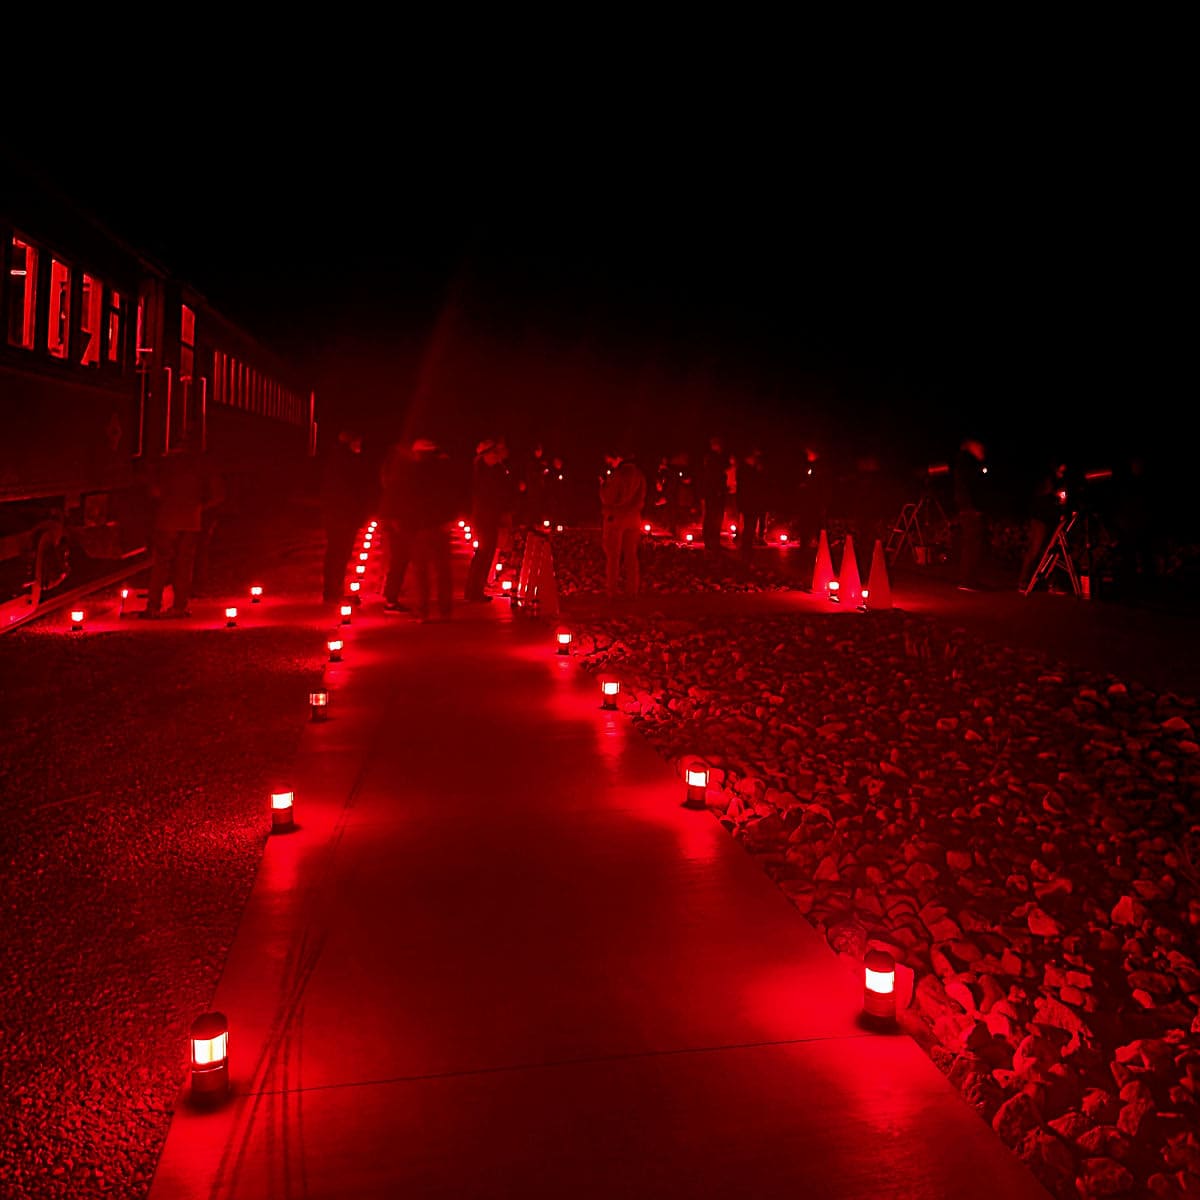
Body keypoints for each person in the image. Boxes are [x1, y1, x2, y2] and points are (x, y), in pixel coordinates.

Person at [141, 427, 224, 618]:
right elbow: (219, 495)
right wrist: (200, 506)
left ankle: (153, 606)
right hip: (191, 520)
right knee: (185, 563)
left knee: (161, 562)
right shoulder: (202, 464)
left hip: (166, 518)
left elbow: (154, 490)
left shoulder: (165, 462)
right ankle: (180, 606)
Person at [406, 437, 456, 621]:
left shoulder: (413, 471)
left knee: (421, 571)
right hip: (439, 526)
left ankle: (422, 610)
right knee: (442, 569)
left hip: (420, 527)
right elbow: (452, 495)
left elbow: (408, 500)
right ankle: (445, 610)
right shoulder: (443, 471)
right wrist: (449, 518)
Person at [320, 429, 372, 604]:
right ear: (350, 442)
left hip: (340, 515)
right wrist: (356, 511)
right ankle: (333, 593)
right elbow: (349, 490)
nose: (360, 446)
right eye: (357, 442)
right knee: (338, 554)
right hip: (341, 516)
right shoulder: (344, 462)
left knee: (338, 554)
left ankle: (333, 591)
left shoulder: (339, 460)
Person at [464, 438, 515, 602]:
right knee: (483, 554)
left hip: (489, 516)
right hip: (484, 516)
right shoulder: (482, 472)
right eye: (493, 452)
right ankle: (474, 591)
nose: (495, 455)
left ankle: (475, 590)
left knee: (486, 554)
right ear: (485, 455)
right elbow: (488, 495)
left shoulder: (492, 470)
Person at [599, 446, 647, 599]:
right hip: (634, 518)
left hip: (616, 518)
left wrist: (603, 486)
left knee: (613, 556)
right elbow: (642, 496)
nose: (609, 463)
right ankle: (632, 590)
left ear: (618, 457)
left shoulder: (617, 476)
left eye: (610, 460)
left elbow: (609, 498)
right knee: (631, 555)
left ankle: (611, 591)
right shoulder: (640, 475)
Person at [1018, 460, 1067, 590]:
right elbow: (1044, 500)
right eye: (1061, 471)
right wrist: (1057, 498)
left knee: (1045, 552)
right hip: (1040, 520)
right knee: (1034, 550)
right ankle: (1024, 581)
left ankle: (1038, 581)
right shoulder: (1048, 481)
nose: (1063, 473)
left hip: (1048, 520)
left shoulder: (1056, 482)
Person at [378, 439, 414, 612]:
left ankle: (391, 593)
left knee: (399, 559)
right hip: (397, 521)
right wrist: (393, 519)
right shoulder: (395, 477)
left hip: (397, 520)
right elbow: (393, 499)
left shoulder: (392, 474)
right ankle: (391, 597)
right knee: (398, 559)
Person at [953, 437, 988, 590]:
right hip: (970, 509)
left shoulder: (966, 463)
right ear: (971, 447)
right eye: (980, 448)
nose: (983, 451)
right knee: (972, 543)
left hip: (969, 508)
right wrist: (972, 508)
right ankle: (967, 580)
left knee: (973, 543)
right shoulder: (967, 463)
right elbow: (968, 487)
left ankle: (969, 579)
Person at [737, 448, 768, 563]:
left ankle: (747, 546)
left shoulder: (748, 470)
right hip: (749, 502)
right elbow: (749, 486)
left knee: (750, 525)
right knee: (749, 525)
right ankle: (746, 547)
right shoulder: (746, 471)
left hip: (751, 502)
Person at [700, 436, 728, 554]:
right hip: (714, 493)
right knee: (713, 517)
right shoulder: (713, 459)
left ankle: (713, 542)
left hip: (715, 492)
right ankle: (711, 542)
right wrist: (718, 490)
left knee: (715, 517)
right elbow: (713, 477)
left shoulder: (715, 458)